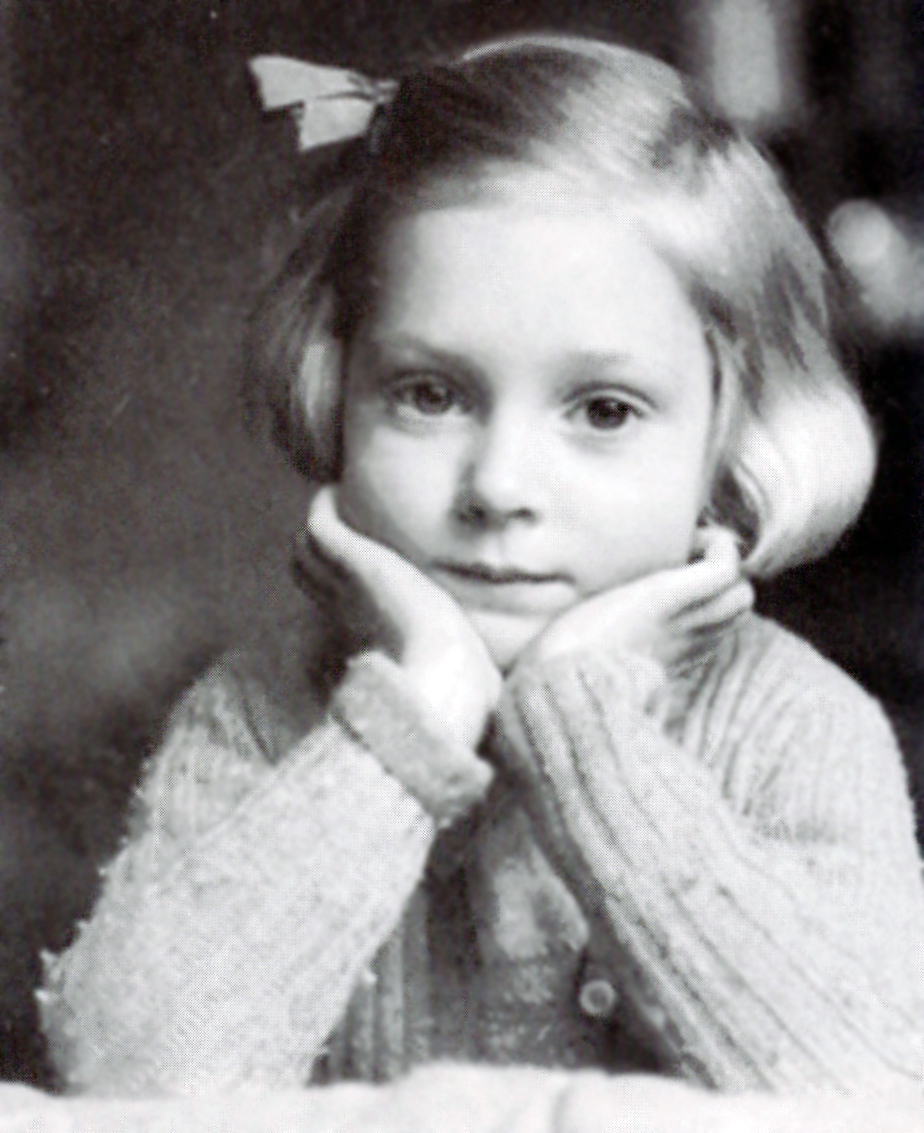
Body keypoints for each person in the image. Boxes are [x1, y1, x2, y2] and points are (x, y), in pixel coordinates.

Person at [36, 33, 924, 1111]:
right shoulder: (263, 712)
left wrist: (580, 721)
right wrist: (415, 716)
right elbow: (124, 1084)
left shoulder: (794, 726)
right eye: (429, 394)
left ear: (729, 438)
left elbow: (872, 1089)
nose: (499, 485)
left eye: (605, 410)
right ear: (334, 394)